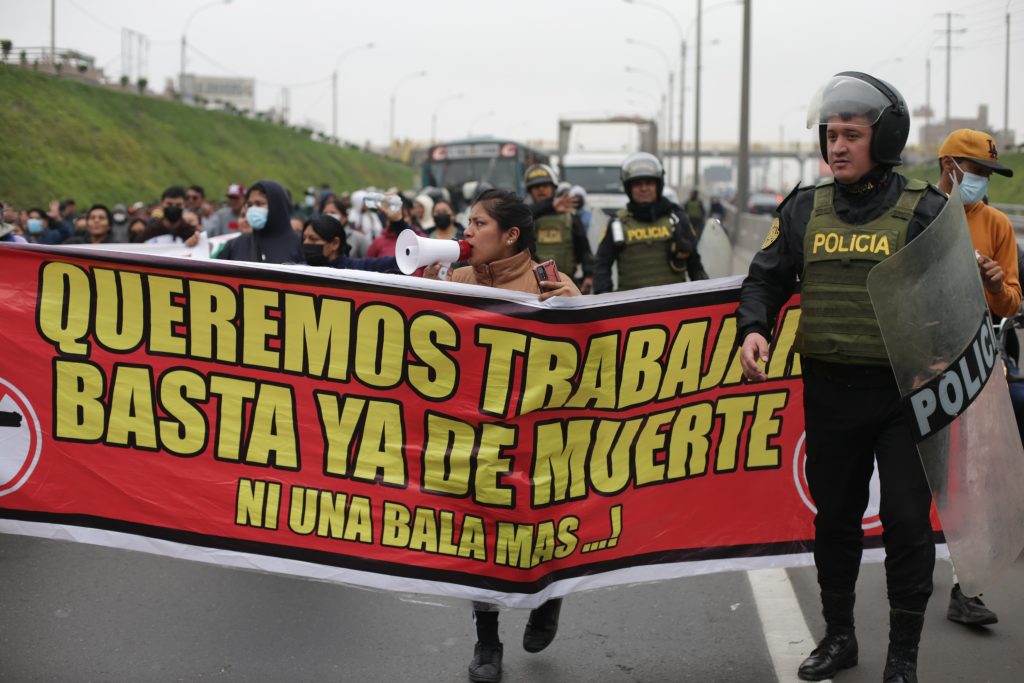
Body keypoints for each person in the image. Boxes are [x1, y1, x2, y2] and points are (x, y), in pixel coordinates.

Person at [738, 72, 948, 683]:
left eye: (851, 135)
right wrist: (756, 325)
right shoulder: (803, 207)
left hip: (905, 397)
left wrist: (942, 348)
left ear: (882, 139)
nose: (836, 147)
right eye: (831, 135)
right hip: (829, 392)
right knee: (835, 519)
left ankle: (903, 657)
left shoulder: (926, 210)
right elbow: (765, 278)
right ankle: (839, 636)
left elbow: (953, 299)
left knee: (909, 522)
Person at [422, 188, 578, 683]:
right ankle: (487, 644)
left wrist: (576, 308)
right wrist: (423, 288)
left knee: (538, 527)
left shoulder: (548, 282)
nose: (466, 231)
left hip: (537, 436)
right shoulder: (460, 278)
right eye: (467, 222)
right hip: (475, 433)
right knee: (477, 537)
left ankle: (548, 598)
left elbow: (592, 351)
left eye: (478, 223)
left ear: (510, 235)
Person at [935, 128, 1019, 628]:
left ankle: (968, 588)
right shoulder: (920, 214)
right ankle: (907, 571)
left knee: (975, 476)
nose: (981, 181)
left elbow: (1012, 300)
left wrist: (994, 284)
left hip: (978, 358)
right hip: (921, 356)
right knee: (923, 472)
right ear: (949, 166)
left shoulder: (997, 225)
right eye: (976, 170)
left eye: (988, 173)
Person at [593, 153, 708, 293]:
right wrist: (605, 305)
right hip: (631, 310)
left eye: (649, 183)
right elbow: (601, 268)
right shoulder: (617, 224)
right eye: (637, 184)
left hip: (676, 308)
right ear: (628, 188)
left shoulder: (677, 219)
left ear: (658, 185)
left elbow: (695, 265)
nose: (644, 188)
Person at [524, 164, 594, 293]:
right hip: (532, 286)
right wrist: (551, 206)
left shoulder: (569, 216)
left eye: (545, 186)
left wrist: (588, 276)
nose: (541, 190)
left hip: (566, 283)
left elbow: (584, 249)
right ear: (529, 191)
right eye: (536, 187)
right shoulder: (525, 217)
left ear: (553, 187)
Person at [215, 180, 303, 264]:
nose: (253, 209)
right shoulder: (235, 245)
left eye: (259, 204)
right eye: (249, 204)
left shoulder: (300, 246)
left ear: (276, 206)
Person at [302, 216, 398, 272]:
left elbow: (399, 262)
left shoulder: (358, 269)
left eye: (313, 239)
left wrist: (399, 222)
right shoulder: (300, 271)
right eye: (304, 238)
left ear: (335, 243)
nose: (306, 243)